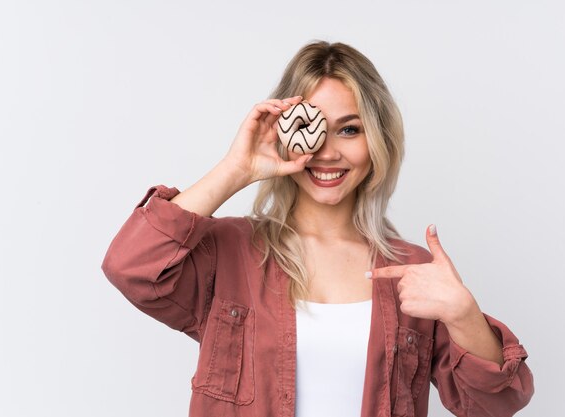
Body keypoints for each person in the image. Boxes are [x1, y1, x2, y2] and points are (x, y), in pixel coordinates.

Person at [101, 40, 534, 417]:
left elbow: (494, 405)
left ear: (377, 140)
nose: (327, 152)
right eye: (311, 129)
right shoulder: (228, 252)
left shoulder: (412, 272)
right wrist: (237, 168)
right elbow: (130, 267)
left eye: (349, 129)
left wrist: (463, 314)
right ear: (285, 134)